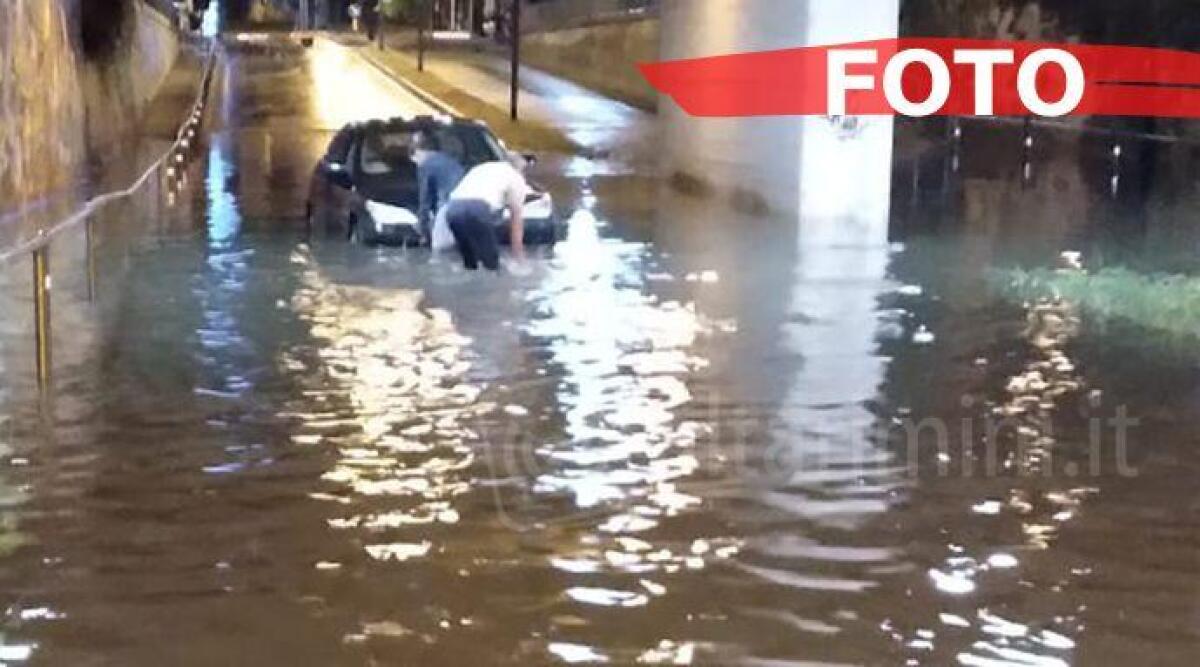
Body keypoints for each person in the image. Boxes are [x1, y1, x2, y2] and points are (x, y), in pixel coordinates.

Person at [443, 155, 530, 271]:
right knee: (492, 266)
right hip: (478, 209)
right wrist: (519, 258)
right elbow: (516, 224)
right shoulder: (516, 178)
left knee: (469, 265)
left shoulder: (482, 167)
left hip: (453, 210)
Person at [414, 132, 465, 242]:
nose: (416, 164)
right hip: (468, 208)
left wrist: (422, 230)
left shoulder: (426, 165)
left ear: (419, 152)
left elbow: (424, 200)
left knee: (441, 251)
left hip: (447, 209)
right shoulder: (453, 162)